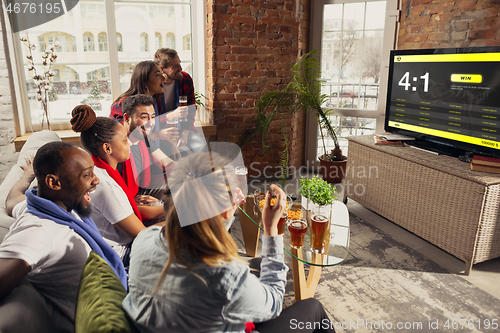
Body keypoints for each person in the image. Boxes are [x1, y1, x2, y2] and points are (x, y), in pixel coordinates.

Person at [122, 152, 335, 333]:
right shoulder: (223, 275)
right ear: (225, 208)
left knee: (260, 264)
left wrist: (225, 213)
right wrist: (270, 231)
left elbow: (198, 230)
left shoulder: (144, 240)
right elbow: (273, 303)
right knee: (313, 308)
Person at [0, 141, 126, 327]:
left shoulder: (45, 205)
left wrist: (28, 175)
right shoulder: (39, 229)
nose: (96, 180)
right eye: (87, 175)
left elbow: (12, 201)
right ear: (53, 182)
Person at [71, 105, 165, 251]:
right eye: (124, 140)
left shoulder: (100, 171)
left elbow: (127, 213)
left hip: (131, 240)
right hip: (124, 251)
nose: (129, 144)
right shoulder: (103, 185)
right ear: (107, 148)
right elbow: (142, 236)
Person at [109, 60, 187, 159]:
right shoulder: (124, 104)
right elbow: (126, 141)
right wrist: (157, 135)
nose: (164, 78)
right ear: (144, 80)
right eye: (158, 75)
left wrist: (172, 145)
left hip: (148, 152)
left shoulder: (154, 101)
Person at [122, 94, 176, 201]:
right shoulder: (117, 145)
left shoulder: (144, 138)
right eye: (144, 117)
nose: (151, 123)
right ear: (127, 118)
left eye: (152, 117)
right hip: (126, 199)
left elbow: (168, 164)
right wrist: (131, 201)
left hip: (142, 191)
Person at [154, 48, 207, 154]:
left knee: (201, 148)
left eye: (179, 63)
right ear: (162, 69)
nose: (180, 68)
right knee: (170, 154)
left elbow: (191, 108)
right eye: (175, 66)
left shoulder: (185, 79)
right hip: (159, 129)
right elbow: (150, 121)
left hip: (183, 127)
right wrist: (171, 116)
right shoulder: (154, 85)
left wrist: (185, 133)